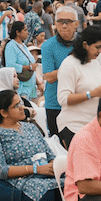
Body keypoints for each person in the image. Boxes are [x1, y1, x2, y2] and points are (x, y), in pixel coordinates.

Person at [56, 26, 101, 145]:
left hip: (94, 126)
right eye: (97, 47)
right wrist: (91, 94)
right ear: (85, 45)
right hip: (74, 127)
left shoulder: (95, 63)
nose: (100, 51)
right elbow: (63, 99)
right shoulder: (69, 65)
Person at [40, 7, 78, 136]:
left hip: (79, 102)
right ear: (55, 24)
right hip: (55, 103)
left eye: (68, 21)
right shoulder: (48, 45)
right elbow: (49, 77)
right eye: (60, 21)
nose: (64, 25)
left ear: (76, 24)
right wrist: (71, 66)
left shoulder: (82, 44)